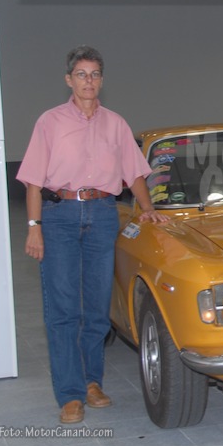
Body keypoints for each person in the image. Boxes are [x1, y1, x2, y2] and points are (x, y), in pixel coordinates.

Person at [16, 45, 168, 424]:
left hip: (102, 214)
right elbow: (33, 181)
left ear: (102, 80)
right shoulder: (50, 122)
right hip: (60, 217)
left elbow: (134, 173)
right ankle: (70, 394)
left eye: (95, 74)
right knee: (64, 309)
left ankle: (91, 382)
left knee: (98, 307)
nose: (89, 81)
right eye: (81, 74)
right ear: (69, 80)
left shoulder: (116, 124)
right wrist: (34, 228)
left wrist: (147, 208)